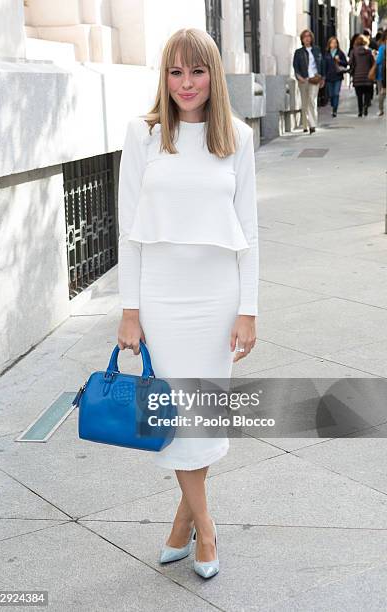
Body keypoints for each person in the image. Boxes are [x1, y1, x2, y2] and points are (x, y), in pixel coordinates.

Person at [117, 28, 259, 579]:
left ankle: (184, 524)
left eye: (196, 72)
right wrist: (130, 309)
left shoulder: (239, 139)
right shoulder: (144, 135)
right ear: (164, 77)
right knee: (177, 419)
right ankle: (208, 530)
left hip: (218, 297)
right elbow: (130, 231)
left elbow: (249, 229)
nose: (186, 84)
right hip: (161, 298)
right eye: (175, 72)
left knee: (202, 417)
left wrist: (248, 309)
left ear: (213, 75)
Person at [293, 29, 326, 134]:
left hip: (314, 79)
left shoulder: (316, 50)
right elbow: (295, 66)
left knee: (312, 101)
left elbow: (321, 64)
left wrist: (322, 78)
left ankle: (312, 125)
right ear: (302, 39)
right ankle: (305, 125)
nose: (307, 38)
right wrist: (299, 77)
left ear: (311, 38)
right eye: (305, 37)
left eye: (309, 36)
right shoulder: (298, 52)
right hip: (304, 80)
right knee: (304, 102)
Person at [349, 34, 376, 117]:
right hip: (367, 76)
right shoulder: (369, 51)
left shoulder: (353, 51)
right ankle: (366, 106)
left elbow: (351, 63)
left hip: (357, 77)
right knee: (367, 93)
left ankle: (360, 111)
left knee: (359, 95)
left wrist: (352, 72)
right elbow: (373, 63)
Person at [324, 36, 348, 117]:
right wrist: (324, 75)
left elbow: (346, 63)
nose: (334, 44)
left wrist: (339, 61)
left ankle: (335, 110)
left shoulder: (340, 53)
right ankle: (333, 104)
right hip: (329, 76)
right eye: (332, 43)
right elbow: (324, 65)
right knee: (331, 94)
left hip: (338, 76)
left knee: (336, 93)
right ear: (329, 44)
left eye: (335, 43)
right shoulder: (326, 53)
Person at [376, 29, 387, 116]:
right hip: (382, 72)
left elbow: (378, 60)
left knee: (381, 92)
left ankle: (381, 109)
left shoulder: (382, 47)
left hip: (382, 73)